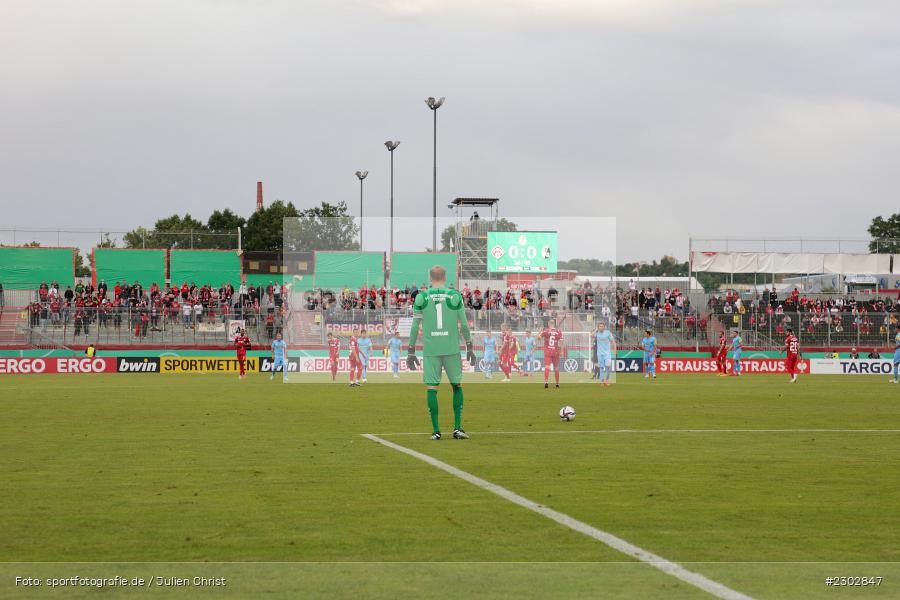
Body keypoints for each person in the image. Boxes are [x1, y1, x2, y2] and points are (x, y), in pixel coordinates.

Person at [405, 265, 476, 440]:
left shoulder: (422, 297)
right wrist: (469, 347)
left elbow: (415, 326)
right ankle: (457, 428)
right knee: (456, 385)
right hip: (451, 348)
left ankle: (436, 431)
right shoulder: (454, 296)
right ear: (445, 277)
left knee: (432, 388)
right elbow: (464, 325)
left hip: (431, 350)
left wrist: (411, 351)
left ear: (430, 278)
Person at [539, 318, 564, 389]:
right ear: (554, 324)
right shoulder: (558, 331)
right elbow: (561, 342)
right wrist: (562, 351)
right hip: (556, 351)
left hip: (547, 351)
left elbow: (538, 338)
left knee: (547, 367)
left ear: (549, 324)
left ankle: (546, 382)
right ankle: (557, 384)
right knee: (556, 368)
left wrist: (540, 331)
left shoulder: (546, 331)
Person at [594, 321, 615, 386]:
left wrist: (614, 350)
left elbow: (612, 341)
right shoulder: (597, 333)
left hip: (607, 353)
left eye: (602, 326)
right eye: (600, 326)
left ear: (604, 327)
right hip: (600, 354)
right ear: (598, 327)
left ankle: (607, 380)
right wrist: (596, 330)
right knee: (601, 368)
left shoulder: (608, 333)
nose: (601, 327)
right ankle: (602, 382)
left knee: (608, 366)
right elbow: (590, 335)